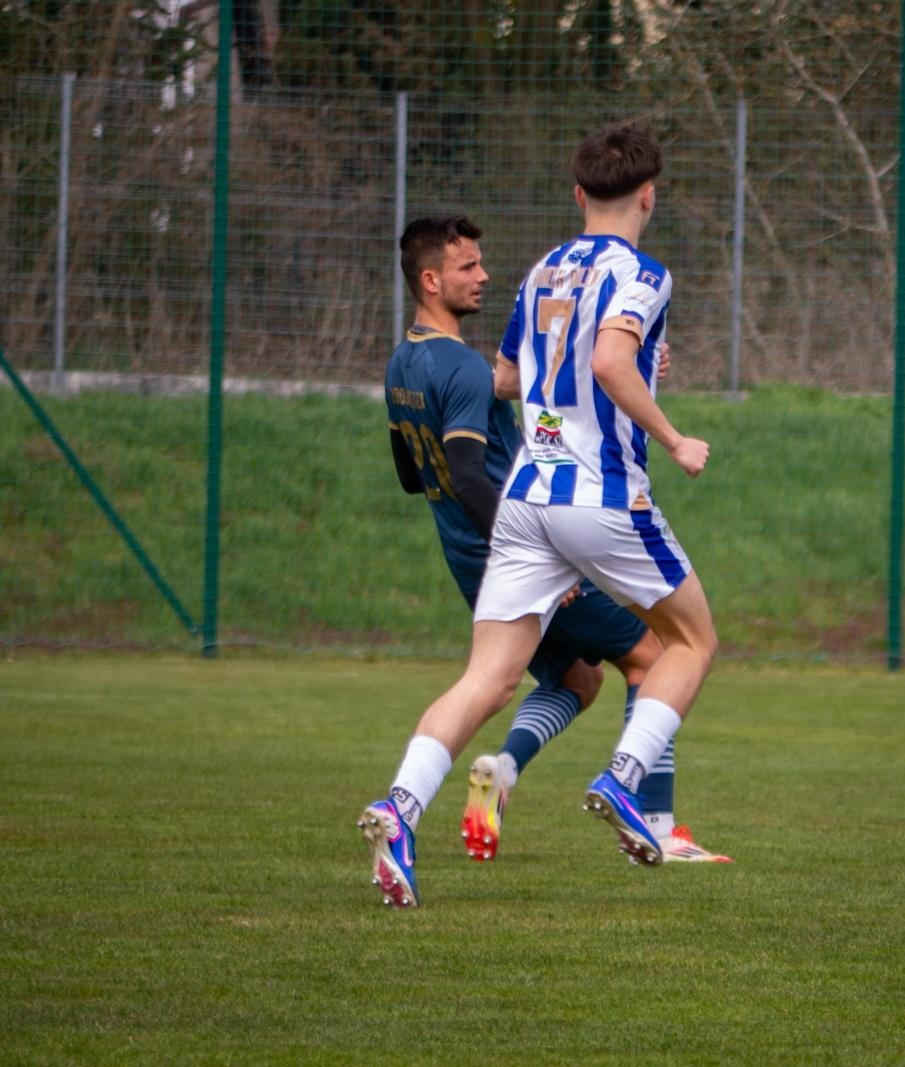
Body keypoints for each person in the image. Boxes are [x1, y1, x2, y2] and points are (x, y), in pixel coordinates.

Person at [360, 124, 720, 908]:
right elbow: (609, 362)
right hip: (601, 496)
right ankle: (626, 783)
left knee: (487, 678)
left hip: (525, 501)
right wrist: (673, 436)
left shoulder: (543, 269)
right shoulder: (644, 273)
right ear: (649, 196)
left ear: (579, 194)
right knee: (691, 642)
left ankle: (400, 807)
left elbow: (507, 376)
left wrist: (621, 366)